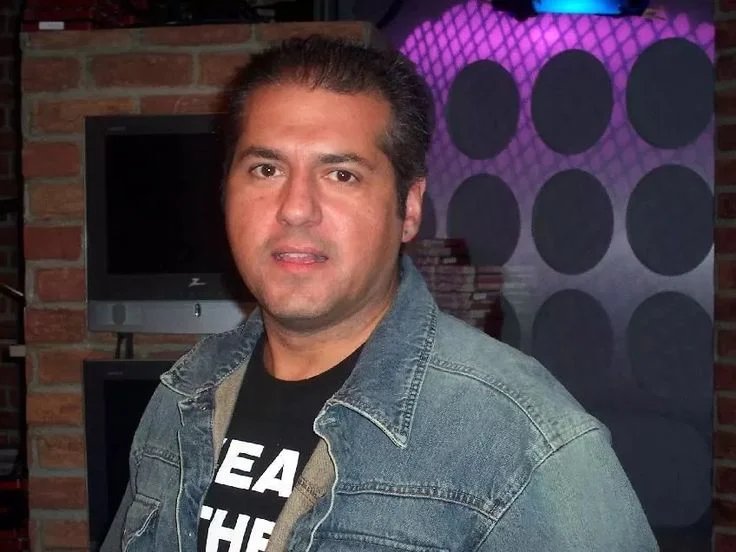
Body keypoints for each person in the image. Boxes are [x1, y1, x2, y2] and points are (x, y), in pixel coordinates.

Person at [102, 36, 657, 552]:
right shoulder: (184, 393)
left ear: (408, 208)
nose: (296, 209)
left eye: (341, 174)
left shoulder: (522, 442)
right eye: (266, 169)